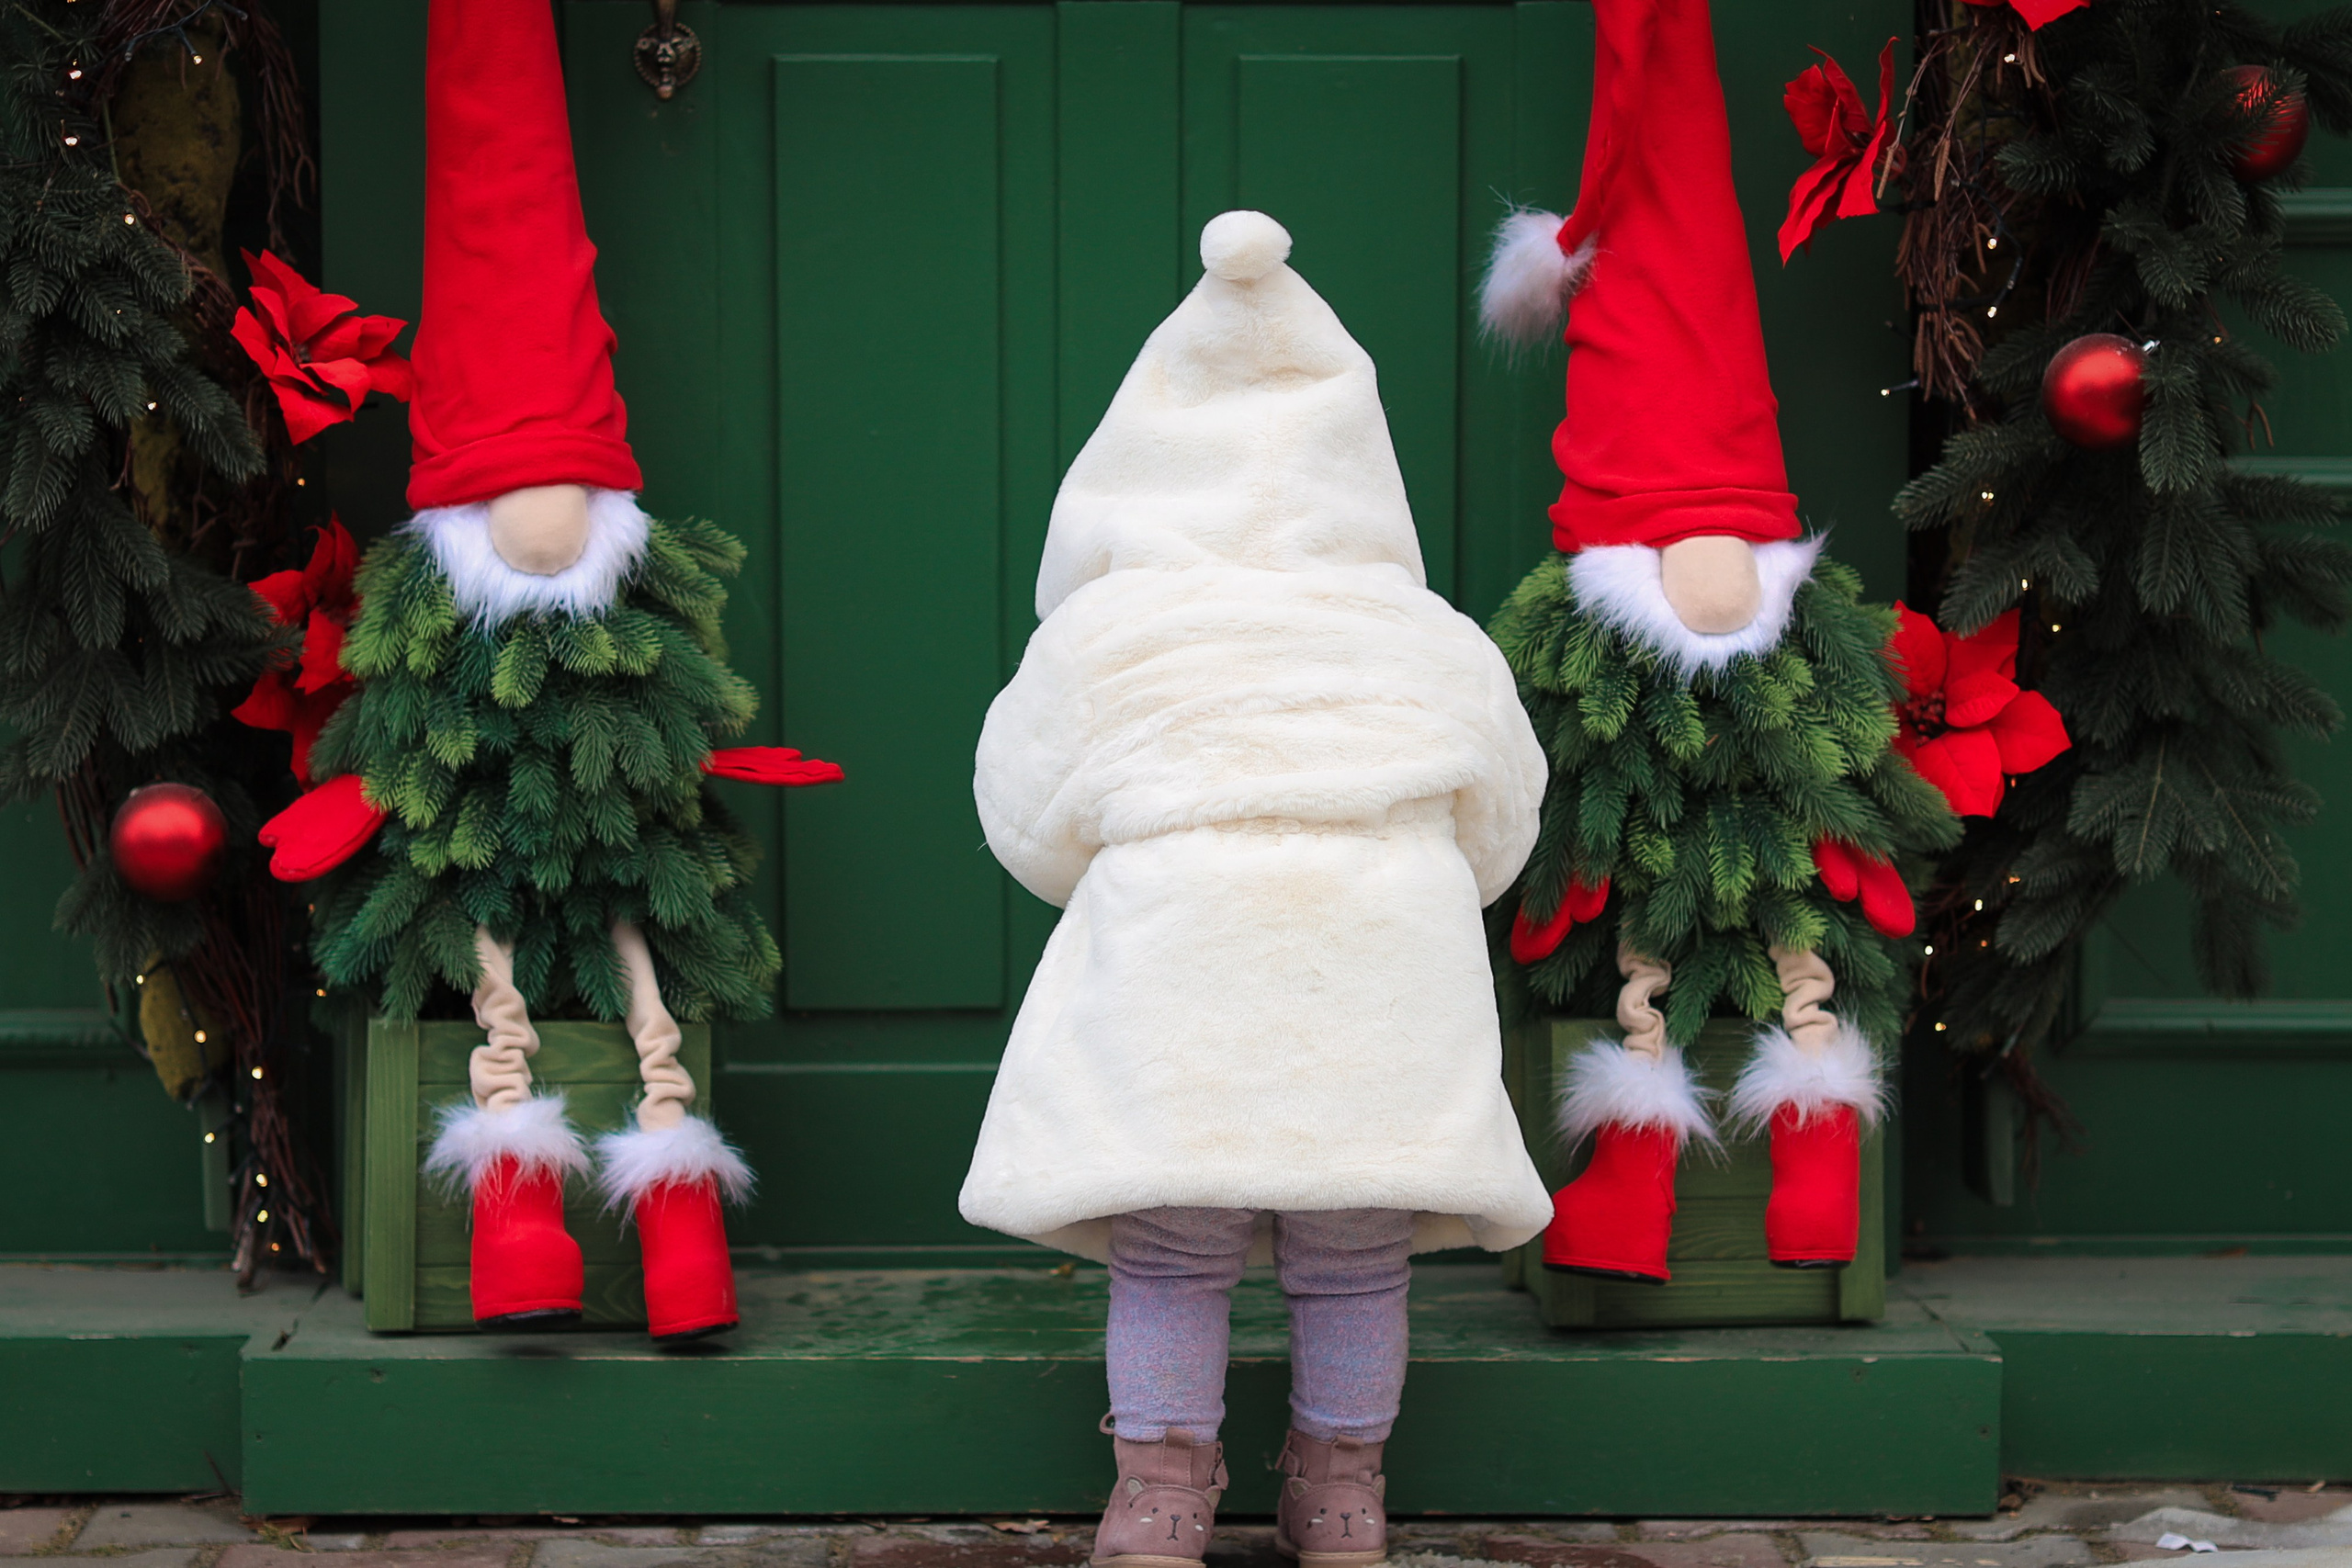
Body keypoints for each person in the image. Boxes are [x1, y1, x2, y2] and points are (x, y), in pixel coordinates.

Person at [960, 210, 1551, 1568]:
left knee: (1173, 1250)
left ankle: (1159, 1502)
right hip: (1381, 974)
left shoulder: (1107, 637)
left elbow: (1027, 823)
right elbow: (1499, 828)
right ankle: (1343, 1499)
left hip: (1181, 973)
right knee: (1355, 1257)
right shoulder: (1429, 637)